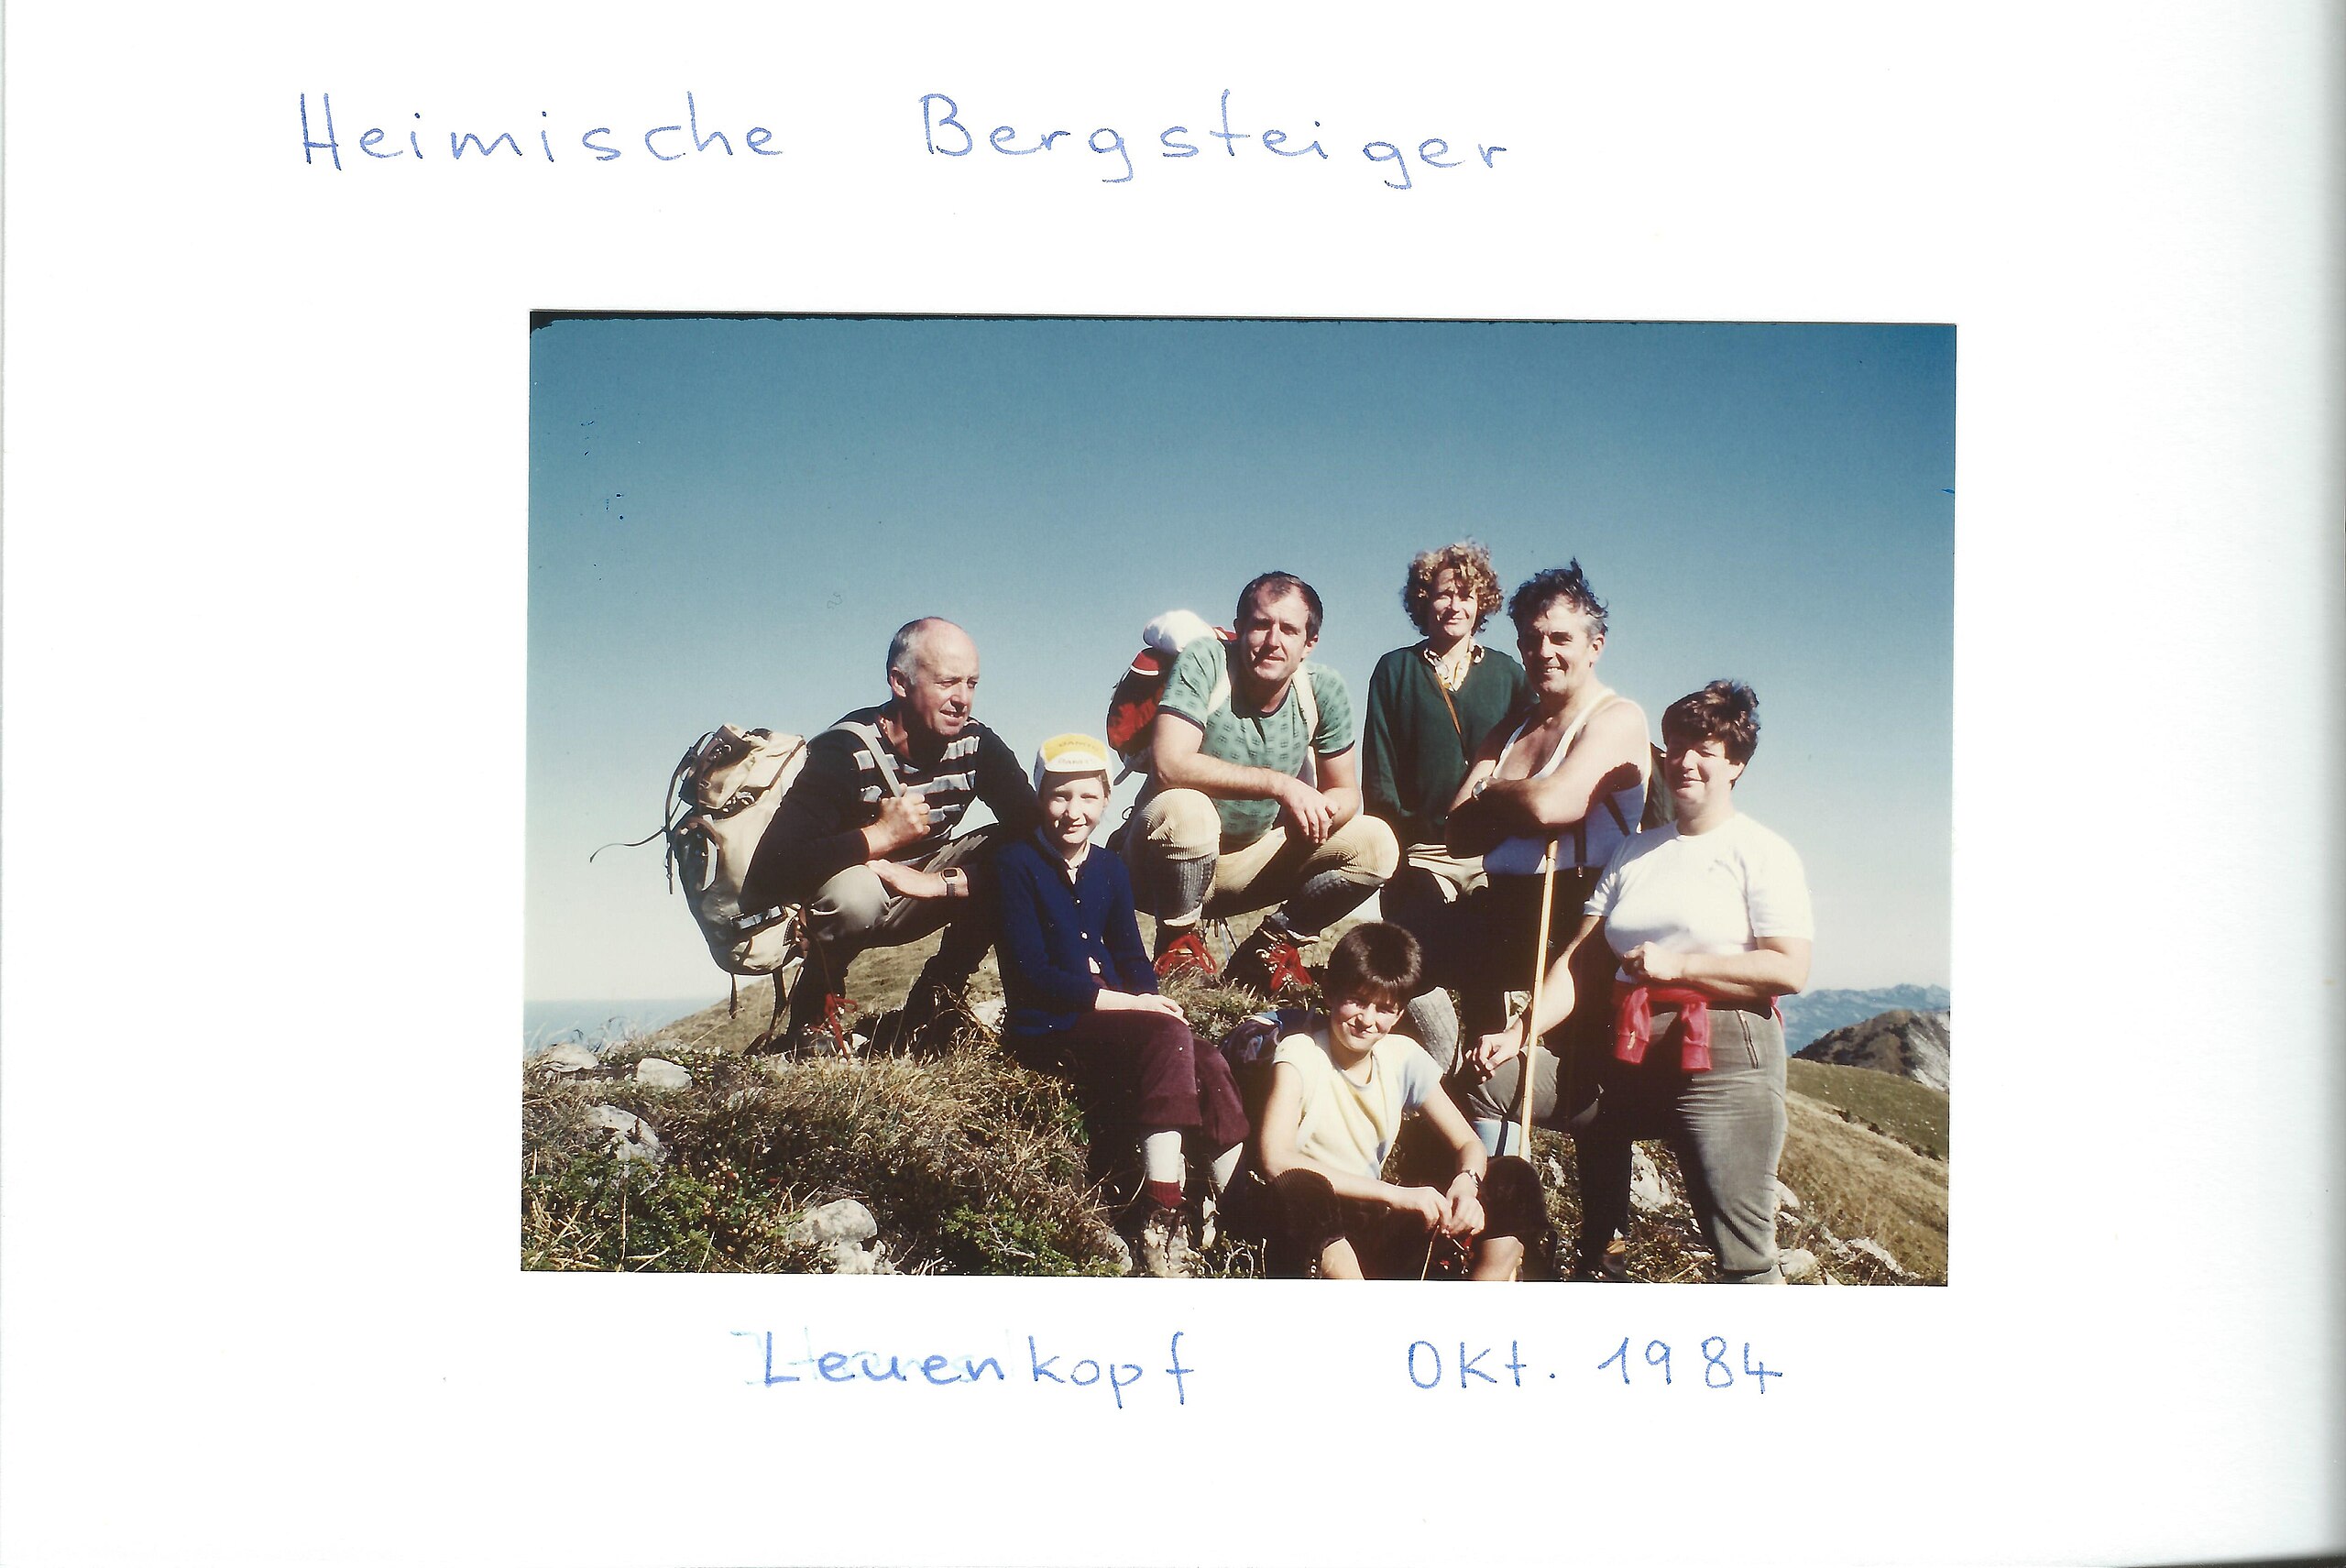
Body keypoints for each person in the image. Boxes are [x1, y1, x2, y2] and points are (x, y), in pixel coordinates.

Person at [1465, 682, 1813, 1284]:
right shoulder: (1634, 850)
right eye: (1675, 746)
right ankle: (1511, 1245)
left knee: (1742, 1254)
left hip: (1725, 1053)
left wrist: (1683, 967)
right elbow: (1581, 961)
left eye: (1705, 750)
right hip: (1626, 1049)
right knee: (1488, 1083)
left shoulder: (1761, 851)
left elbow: (1789, 968)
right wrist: (1518, 1033)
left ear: (1736, 763)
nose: (1685, 761)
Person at [992, 734, 1249, 1277]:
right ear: (1040, 797)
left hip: (1108, 1012)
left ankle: (1240, 1207)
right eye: (1060, 796)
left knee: (1203, 1056)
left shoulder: (1109, 867)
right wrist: (1121, 1003)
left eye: (1088, 797)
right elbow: (1032, 974)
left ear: (1107, 799)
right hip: (1051, 1021)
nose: (1074, 812)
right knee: (1168, 1038)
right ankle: (1162, 1213)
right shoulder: (1015, 864)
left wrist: (1150, 1000)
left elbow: (1131, 955)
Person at [1398, 562, 1650, 1090]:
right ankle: (1443, 1087)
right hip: (1506, 910)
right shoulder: (1513, 726)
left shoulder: (1617, 718)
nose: (1543, 653)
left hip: (1577, 918)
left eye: (1561, 639)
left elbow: (1552, 806)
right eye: (1531, 640)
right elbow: (1458, 834)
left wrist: (1491, 791)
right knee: (1399, 945)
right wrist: (1514, 797)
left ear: (1595, 646)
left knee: (1575, 1088)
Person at [741, 618, 1037, 1053]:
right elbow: (772, 868)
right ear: (900, 682)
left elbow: (1035, 831)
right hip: (851, 900)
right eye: (947, 682)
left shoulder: (976, 745)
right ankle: (816, 1006)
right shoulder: (844, 750)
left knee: (1017, 854)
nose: (962, 699)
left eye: (971, 683)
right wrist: (882, 835)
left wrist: (942, 883)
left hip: (924, 887)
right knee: (857, 893)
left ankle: (940, 996)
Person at [1120, 571, 1398, 997]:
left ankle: (1270, 948)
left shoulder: (1321, 689)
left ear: (1310, 643)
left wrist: (1315, 811)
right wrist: (1281, 786)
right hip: (1161, 863)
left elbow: (1346, 794)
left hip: (1247, 861)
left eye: (1289, 630)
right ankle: (1177, 944)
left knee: (1376, 842)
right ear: (1240, 628)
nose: (1273, 641)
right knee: (1189, 809)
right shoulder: (1206, 660)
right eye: (1261, 625)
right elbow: (1169, 766)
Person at [1253, 923, 1542, 1279]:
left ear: (1400, 1013)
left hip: (1377, 1218)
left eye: (1384, 1009)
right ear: (1329, 992)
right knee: (1302, 1189)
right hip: (1325, 1216)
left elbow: (1468, 1143)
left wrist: (1467, 1184)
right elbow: (1276, 1159)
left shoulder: (1402, 1055)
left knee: (1514, 1176)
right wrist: (1395, 1195)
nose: (1367, 1020)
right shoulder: (1301, 1054)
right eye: (1357, 1001)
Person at [1362, 541, 1528, 927]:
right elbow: (1379, 773)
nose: (1455, 606)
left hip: (1492, 853)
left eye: (1466, 596)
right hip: (1423, 852)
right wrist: (1396, 848)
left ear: (1481, 603)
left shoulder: (1508, 674)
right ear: (1424, 600)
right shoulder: (1395, 670)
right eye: (1443, 595)